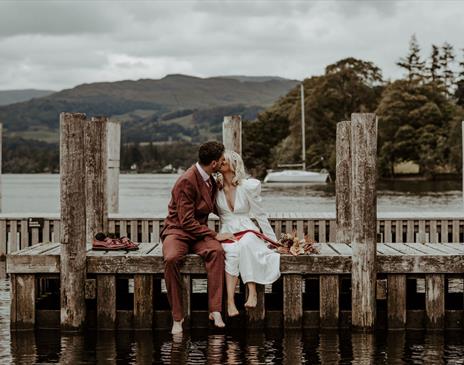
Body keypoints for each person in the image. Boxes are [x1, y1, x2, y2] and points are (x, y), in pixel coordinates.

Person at [161, 141, 235, 335]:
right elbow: (185, 221)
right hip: (178, 231)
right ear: (213, 163)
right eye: (221, 160)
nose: (223, 162)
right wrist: (215, 234)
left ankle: (215, 310)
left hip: (199, 233)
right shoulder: (187, 181)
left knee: (217, 252)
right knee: (171, 259)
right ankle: (177, 317)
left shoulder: (211, 178)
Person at [216, 150, 280, 317]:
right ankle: (230, 302)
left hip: (247, 228)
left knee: (245, 244)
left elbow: (260, 215)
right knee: (231, 252)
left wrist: (273, 242)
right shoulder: (215, 188)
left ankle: (252, 291)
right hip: (227, 230)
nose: (221, 162)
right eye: (220, 161)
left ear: (233, 165)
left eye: (225, 160)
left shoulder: (247, 187)